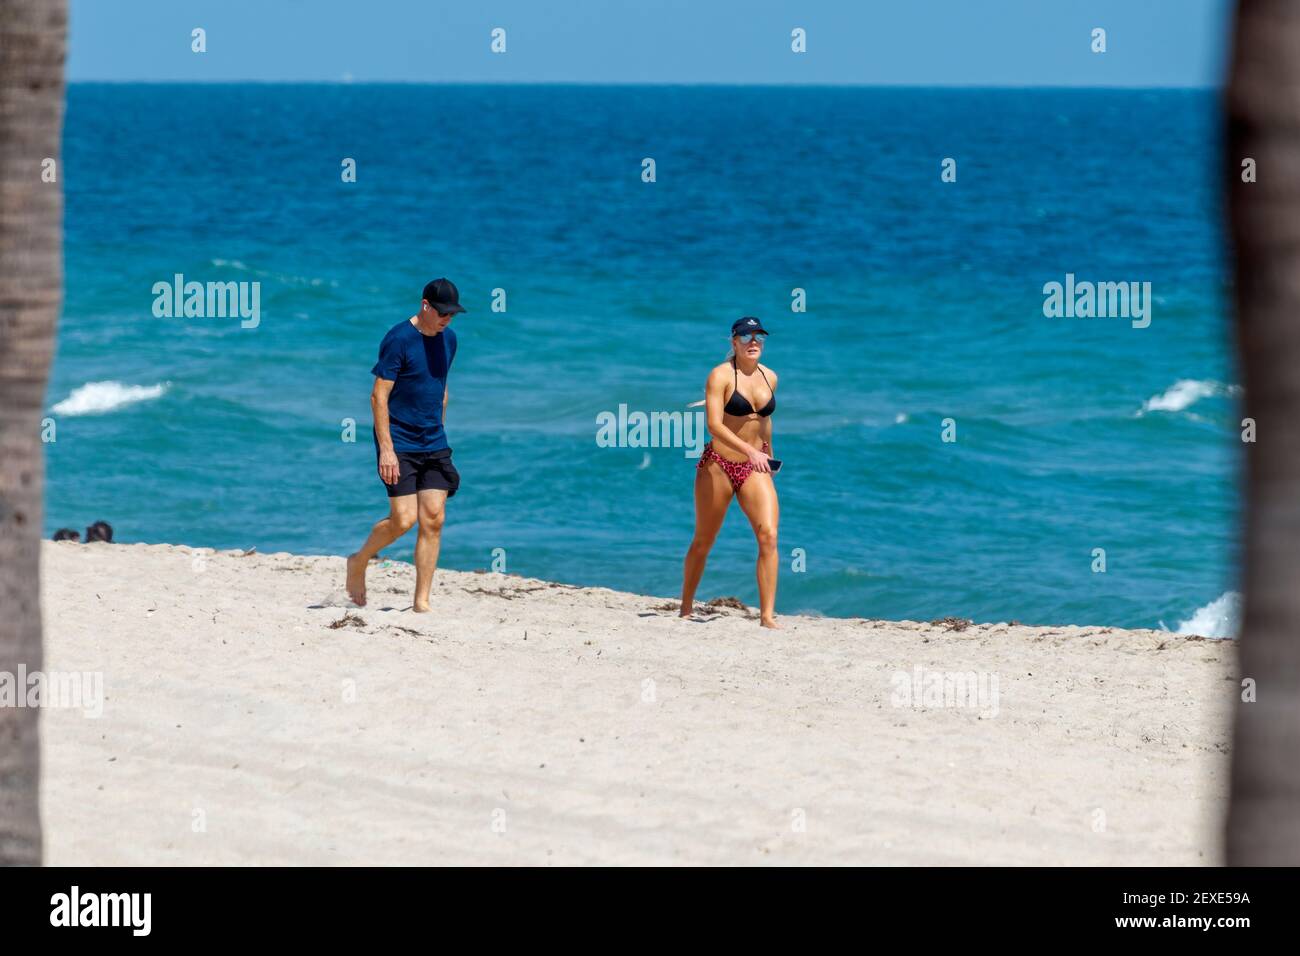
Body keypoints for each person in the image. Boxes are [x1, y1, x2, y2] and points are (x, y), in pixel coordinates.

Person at [346, 278, 465, 612]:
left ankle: (421, 602)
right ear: (425, 305)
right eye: (442, 313)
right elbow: (378, 396)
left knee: (434, 518)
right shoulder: (398, 339)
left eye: (452, 314)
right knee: (403, 520)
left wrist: (439, 430)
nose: (447, 320)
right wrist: (387, 449)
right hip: (399, 440)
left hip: (433, 439)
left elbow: (440, 388)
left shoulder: (449, 340)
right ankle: (359, 560)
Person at [680, 316, 781, 628]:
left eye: (758, 337)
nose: (754, 343)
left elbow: (764, 422)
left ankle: (766, 617)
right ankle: (685, 607)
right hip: (719, 466)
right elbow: (714, 425)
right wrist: (749, 450)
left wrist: (768, 453)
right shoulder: (720, 376)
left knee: (769, 535)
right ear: (734, 342)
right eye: (746, 337)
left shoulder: (770, 377)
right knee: (704, 540)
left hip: (755, 467)